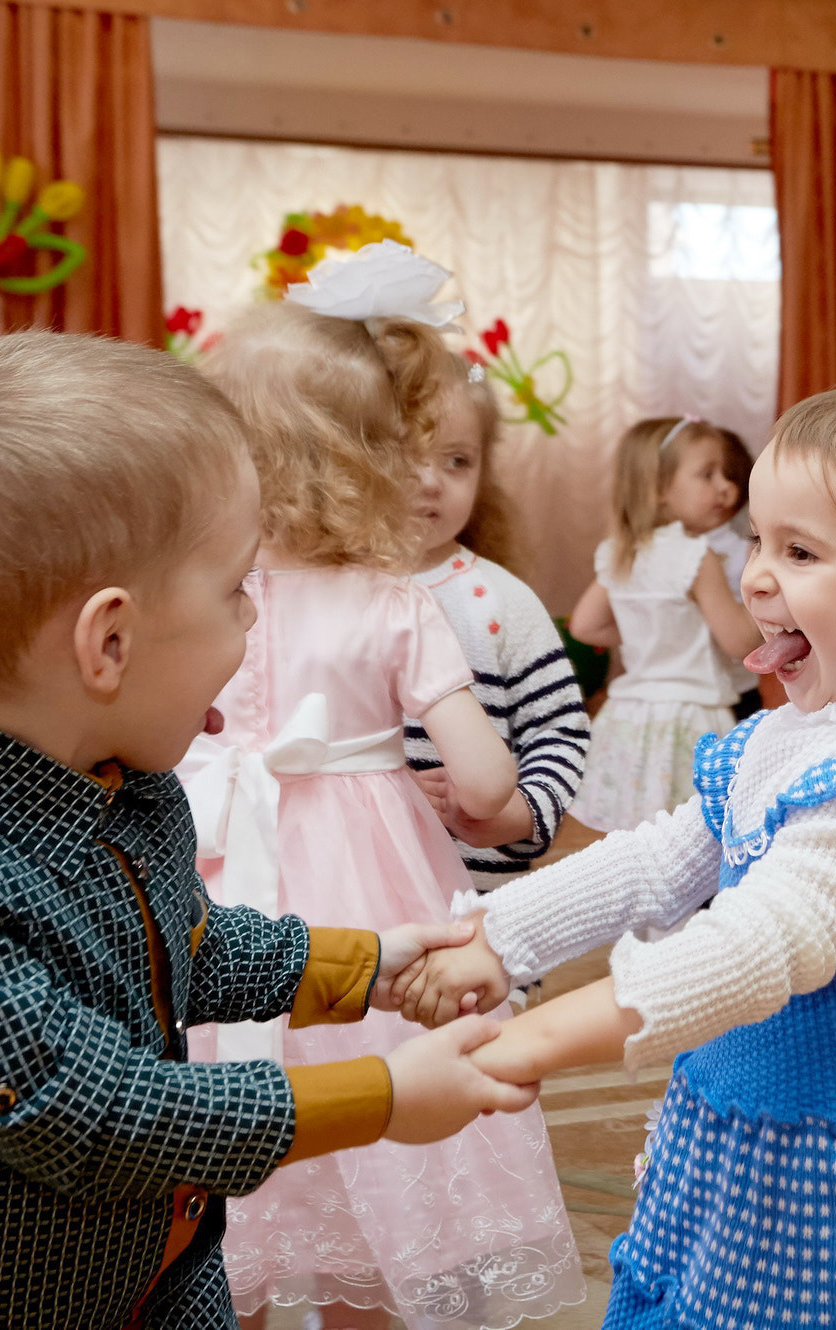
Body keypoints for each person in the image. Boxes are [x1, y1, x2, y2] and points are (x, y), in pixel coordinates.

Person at [0, 331, 534, 1330]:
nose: (254, 620)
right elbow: (94, 1114)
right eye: (236, 589)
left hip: (158, 1286)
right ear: (109, 642)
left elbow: (183, 948)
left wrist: (369, 966)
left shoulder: (129, 785)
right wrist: (379, 1094)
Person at [401, 375, 836, 1330]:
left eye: (800, 551)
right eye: (757, 539)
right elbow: (655, 863)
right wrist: (497, 939)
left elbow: (766, 941)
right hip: (751, 1111)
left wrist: (533, 1039)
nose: (754, 575)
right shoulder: (789, 730)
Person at [181, 289, 584, 1330]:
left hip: (214, 876)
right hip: (371, 891)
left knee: (220, 1132)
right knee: (382, 1119)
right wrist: (489, 804)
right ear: (375, 456)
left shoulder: (198, 592)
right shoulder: (397, 600)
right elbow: (485, 788)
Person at [404, 364, 590, 892]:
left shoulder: (502, 600)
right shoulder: (325, 594)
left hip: (477, 903)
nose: (430, 480)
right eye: (403, 452)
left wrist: (521, 813)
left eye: (457, 460)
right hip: (353, 903)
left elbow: (559, 730)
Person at [568, 414, 762, 831]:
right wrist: (763, 582)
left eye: (724, 474)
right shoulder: (697, 557)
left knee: (637, 834)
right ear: (657, 489)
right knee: (696, 832)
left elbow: (585, 626)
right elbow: (739, 641)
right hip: (689, 718)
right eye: (707, 474)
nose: (725, 487)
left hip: (631, 717)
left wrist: (654, 630)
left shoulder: (621, 552)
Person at [700, 427, 766, 720]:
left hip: (736, 688)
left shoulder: (747, 549)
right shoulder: (666, 551)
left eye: (731, 476)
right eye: (707, 476)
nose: (724, 487)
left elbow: (745, 640)